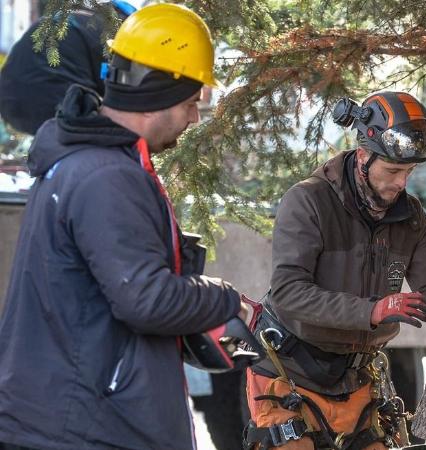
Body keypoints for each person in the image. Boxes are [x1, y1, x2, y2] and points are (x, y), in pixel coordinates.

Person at [0, 4, 247, 449]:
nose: (194, 119)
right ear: (159, 93)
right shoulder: (107, 176)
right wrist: (225, 298)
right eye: (192, 102)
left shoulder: (80, 161)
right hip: (91, 430)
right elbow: (146, 299)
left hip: (68, 421)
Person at [243, 92, 426, 449]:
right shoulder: (308, 200)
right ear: (363, 157)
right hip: (290, 371)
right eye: (393, 170)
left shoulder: (411, 218)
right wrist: (372, 310)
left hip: (357, 377)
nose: (402, 183)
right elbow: (290, 293)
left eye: (410, 172)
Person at [0, 1, 136, 135]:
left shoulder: (73, 17)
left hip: (9, 101)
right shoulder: (115, 34)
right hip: (57, 108)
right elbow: (118, 90)